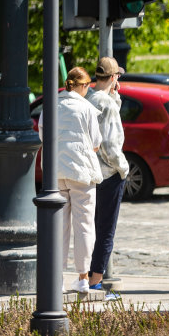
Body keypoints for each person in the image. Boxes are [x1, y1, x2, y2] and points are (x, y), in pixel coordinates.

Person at [38, 66, 103, 293]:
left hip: (55, 172)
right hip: (82, 174)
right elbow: (96, 142)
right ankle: (83, 277)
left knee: (59, 227)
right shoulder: (87, 108)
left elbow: (42, 135)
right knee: (84, 225)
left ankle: (57, 280)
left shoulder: (51, 105)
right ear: (83, 86)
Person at [86, 57, 130, 290]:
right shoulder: (108, 105)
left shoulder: (90, 98)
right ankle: (96, 283)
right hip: (109, 174)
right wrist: (124, 169)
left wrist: (114, 96)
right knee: (106, 231)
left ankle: (86, 278)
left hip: (91, 173)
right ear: (114, 78)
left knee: (91, 228)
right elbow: (111, 145)